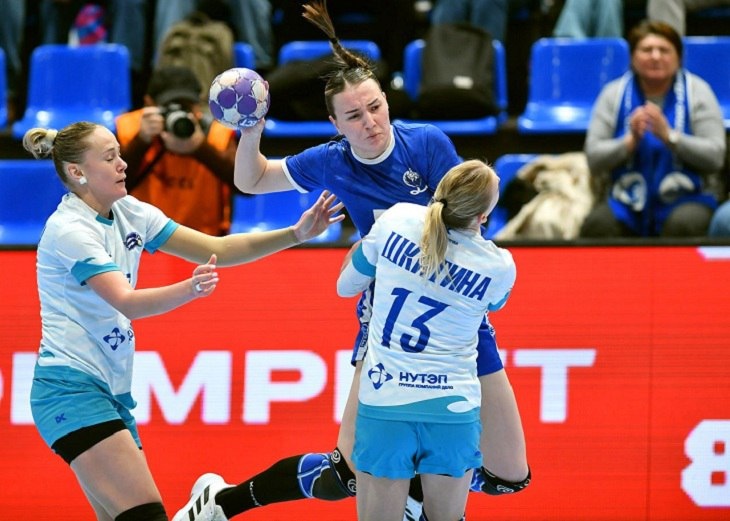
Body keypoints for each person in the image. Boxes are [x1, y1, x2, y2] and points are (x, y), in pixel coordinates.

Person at [172, 2, 530, 521]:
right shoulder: (332, 162)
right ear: (335, 124)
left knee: (507, 477)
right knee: (350, 472)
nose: (371, 123)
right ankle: (222, 502)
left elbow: (471, 218)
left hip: (456, 320)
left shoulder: (426, 144)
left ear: (387, 101)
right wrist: (251, 131)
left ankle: (412, 492)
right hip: (387, 318)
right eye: (355, 116)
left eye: (376, 107)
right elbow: (251, 180)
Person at [25, 120, 343, 521]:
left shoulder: (130, 212)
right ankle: (213, 507)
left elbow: (218, 247)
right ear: (77, 172)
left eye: (119, 154)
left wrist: (296, 234)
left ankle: (212, 507)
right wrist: (189, 289)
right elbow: (127, 302)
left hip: (111, 390)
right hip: (70, 390)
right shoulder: (70, 230)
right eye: (109, 158)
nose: (123, 164)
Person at [338, 159, 515, 521]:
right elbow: (493, 304)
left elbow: (345, 286)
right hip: (453, 410)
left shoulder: (397, 218)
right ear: (483, 216)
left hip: (385, 402)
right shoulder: (499, 265)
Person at [579, 19, 726, 238]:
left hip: (688, 197)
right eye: (647, 50)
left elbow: (715, 157)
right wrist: (629, 142)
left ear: (678, 58)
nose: (655, 56)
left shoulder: (698, 92)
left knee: (683, 224)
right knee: (599, 225)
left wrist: (670, 137)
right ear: (632, 58)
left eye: (664, 50)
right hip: (625, 200)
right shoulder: (613, 93)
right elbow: (593, 157)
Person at [116, 65, 238, 236]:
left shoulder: (216, 135)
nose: (179, 114)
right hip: (140, 240)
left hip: (202, 242)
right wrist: (141, 142)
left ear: (198, 106)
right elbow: (108, 187)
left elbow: (246, 188)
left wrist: (201, 149)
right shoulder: (129, 129)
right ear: (149, 103)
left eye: (186, 107)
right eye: (169, 107)